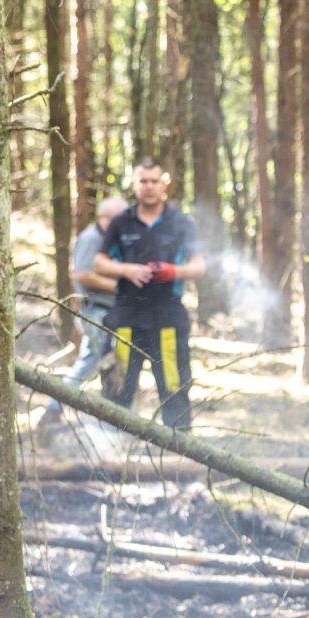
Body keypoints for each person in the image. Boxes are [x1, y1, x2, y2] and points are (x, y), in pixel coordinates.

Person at [93, 157, 207, 431]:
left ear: (164, 184)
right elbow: (99, 263)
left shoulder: (180, 222)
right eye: (143, 181)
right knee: (116, 387)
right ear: (135, 185)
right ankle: (109, 454)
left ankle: (180, 456)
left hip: (167, 319)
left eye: (154, 181)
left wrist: (173, 271)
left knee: (174, 386)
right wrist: (128, 270)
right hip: (126, 319)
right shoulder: (122, 221)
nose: (149, 187)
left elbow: (199, 266)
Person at [36, 196, 129, 443]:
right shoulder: (91, 238)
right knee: (97, 363)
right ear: (103, 218)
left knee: (96, 362)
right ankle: (58, 409)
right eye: (119, 219)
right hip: (95, 311)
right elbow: (83, 275)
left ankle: (67, 411)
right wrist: (122, 285)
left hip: (107, 312)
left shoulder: (111, 241)